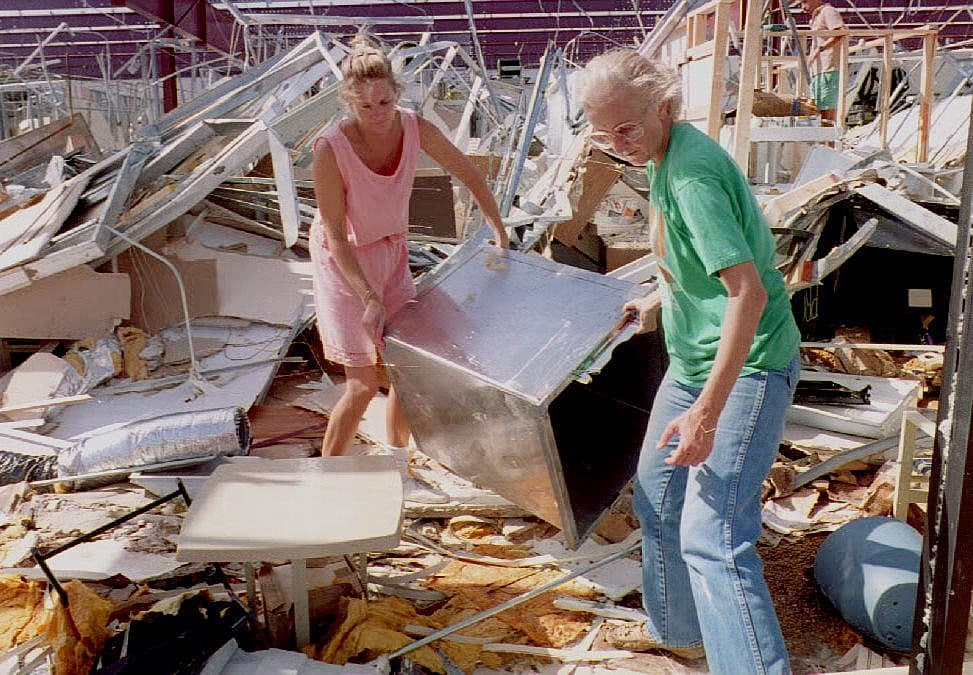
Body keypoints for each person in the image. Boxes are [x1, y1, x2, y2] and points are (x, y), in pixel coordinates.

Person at [577, 49, 801, 674]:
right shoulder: (661, 156)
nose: (616, 142)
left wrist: (707, 412)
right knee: (656, 499)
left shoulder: (693, 176)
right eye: (603, 131)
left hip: (748, 364)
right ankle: (681, 634)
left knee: (715, 539)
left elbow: (747, 293)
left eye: (626, 127)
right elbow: (703, 266)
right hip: (694, 356)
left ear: (665, 108)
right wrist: (657, 299)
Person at [310, 35, 508, 501]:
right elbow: (337, 237)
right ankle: (326, 481)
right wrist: (369, 298)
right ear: (348, 103)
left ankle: (397, 466)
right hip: (344, 262)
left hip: (391, 251)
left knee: (404, 367)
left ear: (397, 94)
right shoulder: (330, 149)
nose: (378, 113)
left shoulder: (415, 127)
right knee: (360, 385)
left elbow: (470, 173)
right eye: (365, 106)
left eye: (385, 101)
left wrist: (499, 231)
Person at [801, 0, 846, 123]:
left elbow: (840, 32)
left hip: (828, 69)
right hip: (818, 70)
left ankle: (829, 142)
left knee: (827, 115)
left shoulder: (828, 11)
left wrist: (819, 49)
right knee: (819, 113)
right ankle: (823, 142)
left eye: (804, 2)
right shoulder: (817, 16)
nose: (802, 7)